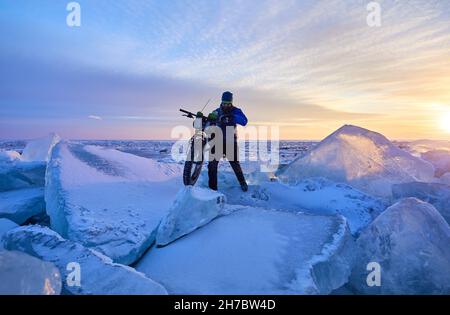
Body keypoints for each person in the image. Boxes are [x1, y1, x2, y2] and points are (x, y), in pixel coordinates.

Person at [206, 91, 248, 192]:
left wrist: (232, 117)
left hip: (230, 141)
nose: (226, 105)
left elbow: (244, 121)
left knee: (235, 164)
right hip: (217, 141)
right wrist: (208, 121)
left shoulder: (236, 111)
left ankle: (243, 183)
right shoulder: (216, 111)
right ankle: (212, 190)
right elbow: (209, 122)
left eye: (228, 103)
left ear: (231, 102)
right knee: (212, 165)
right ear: (221, 102)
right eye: (224, 103)